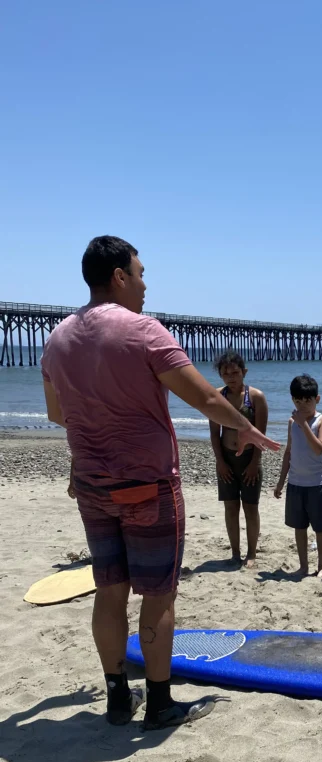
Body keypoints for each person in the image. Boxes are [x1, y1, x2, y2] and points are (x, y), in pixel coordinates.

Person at [41, 236, 279, 730]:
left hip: (91, 481)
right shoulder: (145, 332)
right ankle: (160, 702)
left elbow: (57, 413)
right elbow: (205, 400)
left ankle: (115, 698)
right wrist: (246, 427)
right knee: (158, 593)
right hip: (147, 483)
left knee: (110, 588)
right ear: (120, 276)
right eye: (142, 273)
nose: (146, 285)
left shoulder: (58, 338)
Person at [209, 349, 268, 567]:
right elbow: (215, 433)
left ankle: (251, 553)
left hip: (250, 458)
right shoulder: (217, 397)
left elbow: (261, 434)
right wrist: (220, 462)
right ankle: (235, 553)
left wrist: (255, 463)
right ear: (220, 376)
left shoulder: (256, 397)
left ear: (244, 372)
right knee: (231, 507)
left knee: (250, 507)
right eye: (226, 374)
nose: (231, 378)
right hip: (227, 458)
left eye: (235, 373)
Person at [273, 374, 322, 578]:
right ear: (292, 400)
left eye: (307, 400)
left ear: (317, 399)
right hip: (296, 483)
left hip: (317, 483)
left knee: (320, 528)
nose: (303, 405)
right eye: (298, 400)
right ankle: (303, 565)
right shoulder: (291, 422)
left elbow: (319, 448)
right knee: (299, 527)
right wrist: (281, 482)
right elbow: (289, 451)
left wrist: (303, 424)